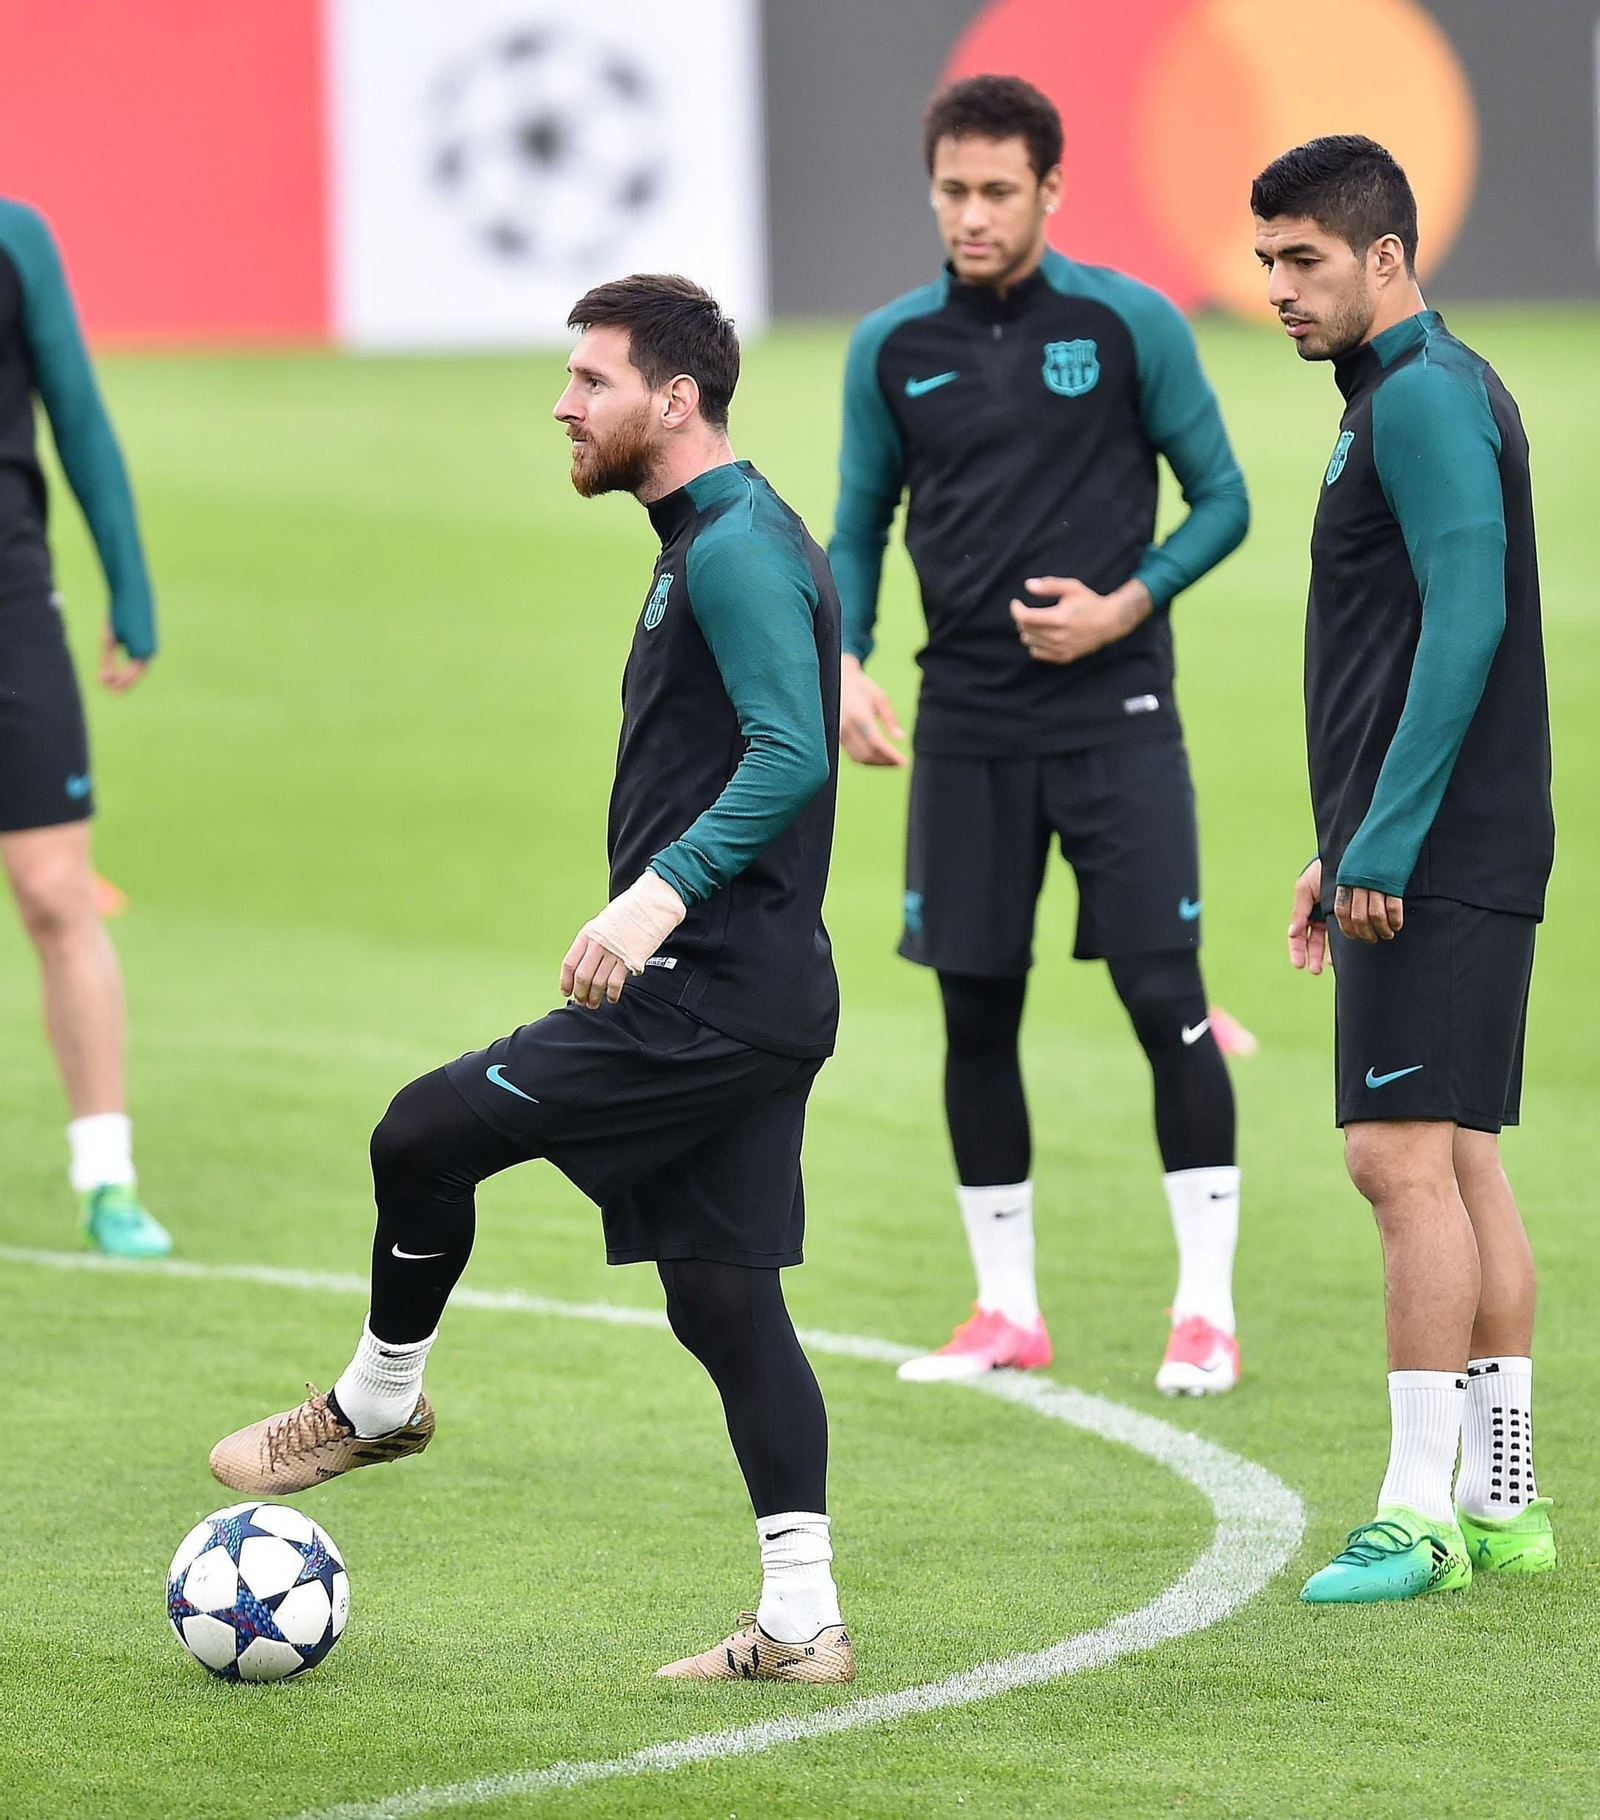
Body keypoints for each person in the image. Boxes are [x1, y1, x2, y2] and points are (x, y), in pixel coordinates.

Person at [210, 275, 855, 1682]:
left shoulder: (736, 543)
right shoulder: (729, 535)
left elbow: (789, 754)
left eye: (593, 380)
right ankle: (803, 1621)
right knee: (725, 1300)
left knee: (422, 1132)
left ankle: (377, 1401)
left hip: (704, 995)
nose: (564, 404)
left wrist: (649, 902)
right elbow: (796, 700)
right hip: (760, 992)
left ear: (672, 401)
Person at [830, 76, 1249, 1392]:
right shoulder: (889, 347)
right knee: (975, 1013)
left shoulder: (1129, 325)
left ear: (1051, 191)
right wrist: (843, 659)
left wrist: (1127, 604)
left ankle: (1206, 1314)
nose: (970, 213)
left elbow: (1224, 500)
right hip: (962, 721)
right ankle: (1007, 1310)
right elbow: (858, 525)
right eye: (952, 190)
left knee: (1165, 1001)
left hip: (1117, 715)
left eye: (997, 190)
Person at [1254, 136, 1556, 1602]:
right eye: (1267, 263)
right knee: (1459, 1158)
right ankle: (1505, 1504)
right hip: (1440, 838)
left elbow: (1469, 619)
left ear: (1385, 256)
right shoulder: (1407, 393)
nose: (1279, 289)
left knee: (1395, 1163)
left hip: (1434, 848)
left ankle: (1415, 1514)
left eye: (1304, 260)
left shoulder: (1424, 397)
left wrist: (1385, 836)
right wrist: (1342, 840)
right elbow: (1401, 652)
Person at [0, 198, 168, 1257]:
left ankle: (106, 1178)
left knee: (58, 889)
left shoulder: (16, 237)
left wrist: (130, 585)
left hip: (9, 599)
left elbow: (79, 413)